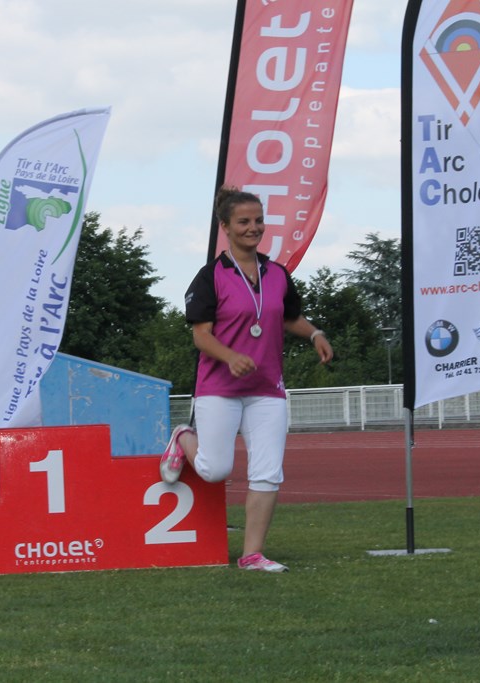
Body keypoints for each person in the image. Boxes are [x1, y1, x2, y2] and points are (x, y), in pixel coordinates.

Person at [160, 187, 333, 572]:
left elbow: (289, 317)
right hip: (219, 388)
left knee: (268, 473)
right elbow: (201, 335)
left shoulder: (278, 274)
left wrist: (315, 334)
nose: (253, 228)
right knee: (214, 470)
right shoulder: (211, 276)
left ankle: (252, 554)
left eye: (258, 220)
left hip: (267, 388)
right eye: (243, 222)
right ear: (225, 227)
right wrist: (230, 356)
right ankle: (182, 436)